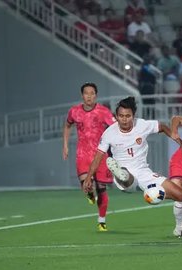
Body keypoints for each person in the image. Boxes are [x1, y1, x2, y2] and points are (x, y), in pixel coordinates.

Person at [83, 97, 182, 239]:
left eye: (128, 116)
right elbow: (98, 157)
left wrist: (177, 140)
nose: (124, 120)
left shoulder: (142, 125)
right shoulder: (109, 133)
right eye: (121, 116)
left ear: (133, 116)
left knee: (181, 196)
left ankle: (179, 228)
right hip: (125, 175)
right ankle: (120, 173)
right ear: (116, 116)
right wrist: (89, 177)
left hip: (144, 173)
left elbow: (162, 127)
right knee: (126, 177)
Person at [62, 82, 115, 232]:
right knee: (86, 185)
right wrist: (65, 145)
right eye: (86, 93)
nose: (89, 96)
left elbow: (115, 128)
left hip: (100, 155)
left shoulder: (104, 112)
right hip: (83, 155)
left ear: (96, 95)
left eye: (92, 93)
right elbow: (67, 125)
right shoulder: (74, 112)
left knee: (101, 188)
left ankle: (102, 221)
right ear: (82, 95)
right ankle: (90, 194)